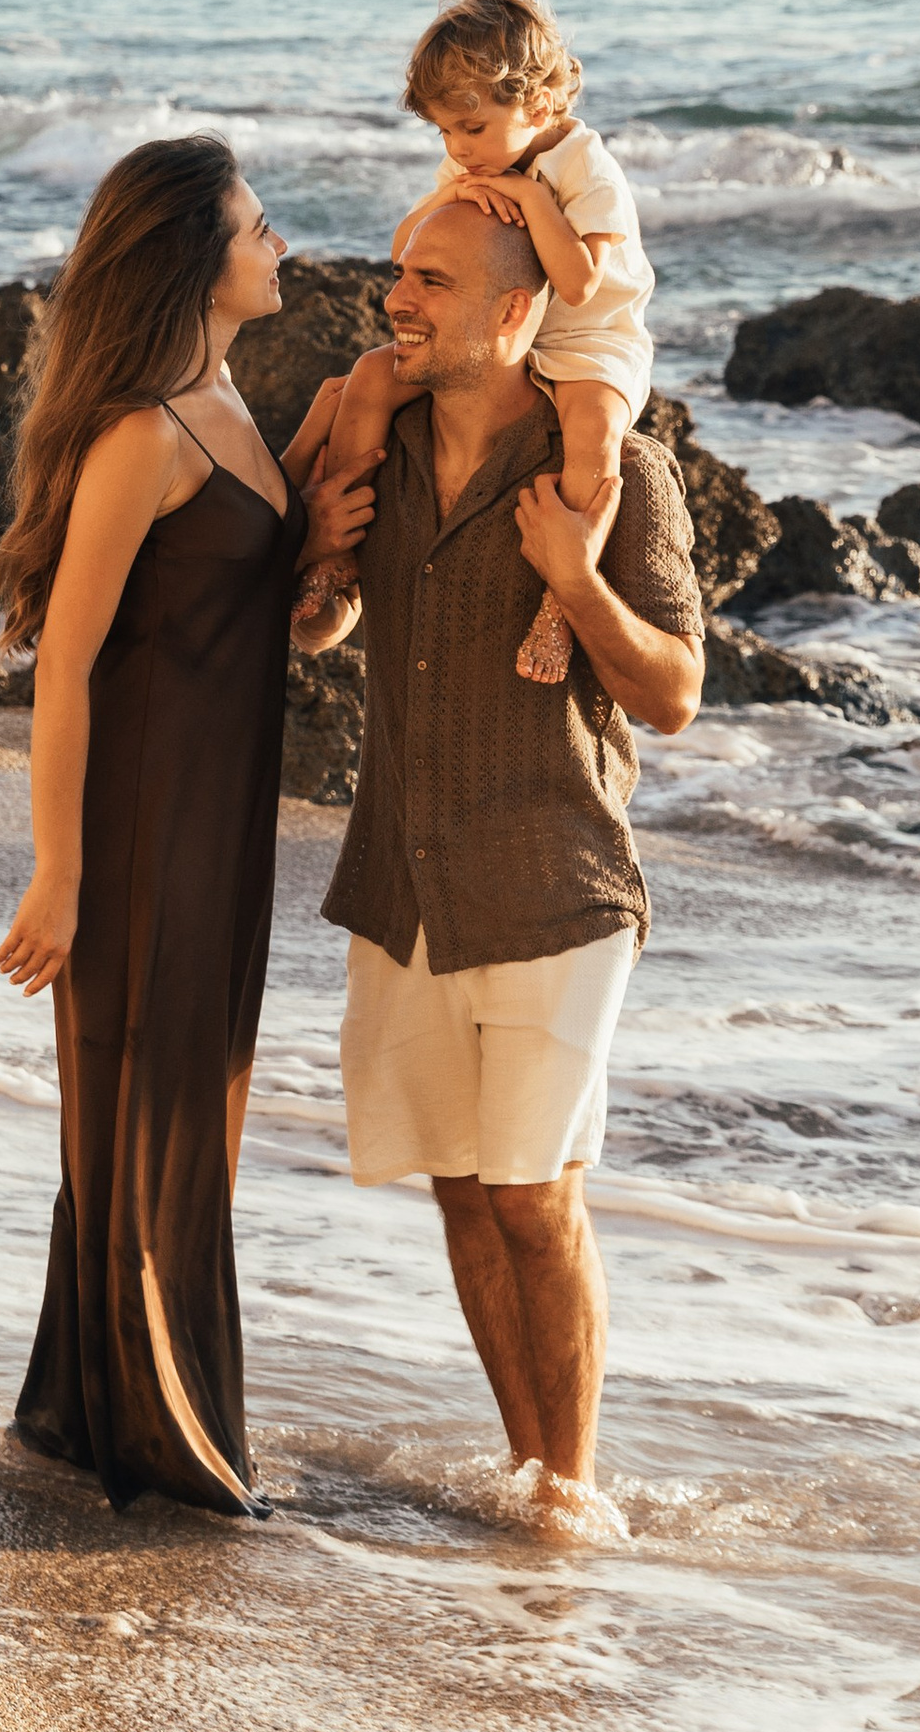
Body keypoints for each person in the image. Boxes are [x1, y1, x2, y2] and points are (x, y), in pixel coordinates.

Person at [300, 193, 703, 1525]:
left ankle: (575, 1501)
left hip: (555, 886)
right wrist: (317, 562)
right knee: (467, 1192)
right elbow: (318, 625)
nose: (398, 299)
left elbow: (674, 694)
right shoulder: (386, 439)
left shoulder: (613, 473)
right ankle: (531, 1478)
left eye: (433, 280)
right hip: (405, 887)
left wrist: (576, 585)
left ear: (522, 307)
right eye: (400, 271)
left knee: (538, 1195)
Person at [0, 134, 365, 1518]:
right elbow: (68, 661)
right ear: (197, 262)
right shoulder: (144, 431)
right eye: (261, 231)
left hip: (218, 824)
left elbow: (256, 624)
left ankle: (90, 1421)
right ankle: (168, 1443)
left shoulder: (228, 408)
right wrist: (60, 872)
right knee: (154, 1121)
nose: (282, 250)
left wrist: (324, 573)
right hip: (142, 827)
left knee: (184, 1116)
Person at [293, 0, 653, 684]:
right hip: (504, 336)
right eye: (445, 133)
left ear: (539, 104)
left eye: (473, 129)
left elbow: (578, 283)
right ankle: (335, 553)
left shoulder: (585, 166)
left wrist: (527, 196)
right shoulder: (474, 160)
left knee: (595, 427)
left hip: (589, 337)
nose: (459, 148)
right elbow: (407, 243)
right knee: (367, 379)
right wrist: (454, 194)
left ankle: (561, 595)